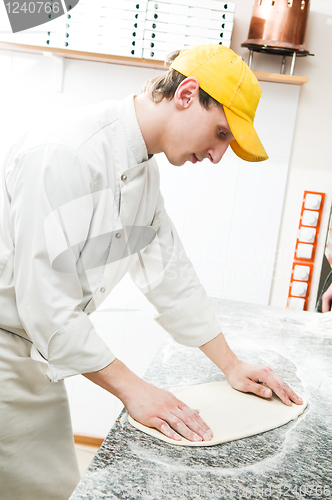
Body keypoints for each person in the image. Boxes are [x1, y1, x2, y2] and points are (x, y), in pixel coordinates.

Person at [0, 44, 303, 500]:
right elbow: (45, 303)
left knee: (56, 490)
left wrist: (231, 364)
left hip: (34, 359)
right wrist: (135, 391)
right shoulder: (68, 153)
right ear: (186, 93)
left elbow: (169, 274)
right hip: (8, 350)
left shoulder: (141, 169)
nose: (219, 155)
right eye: (221, 133)